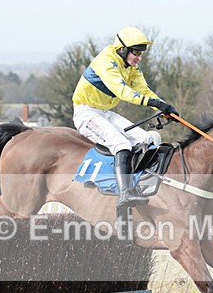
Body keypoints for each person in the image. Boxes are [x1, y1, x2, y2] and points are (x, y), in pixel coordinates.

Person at [72, 26, 178, 208]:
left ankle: (141, 185)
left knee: (149, 138)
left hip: (105, 112)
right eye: (136, 53)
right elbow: (123, 92)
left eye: (141, 54)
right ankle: (125, 194)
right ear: (122, 49)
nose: (139, 57)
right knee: (121, 144)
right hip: (85, 112)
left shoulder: (131, 67)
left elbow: (144, 90)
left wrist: (164, 106)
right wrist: (155, 104)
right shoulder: (107, 61)